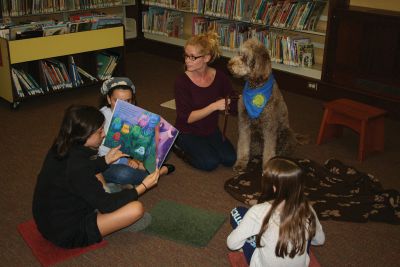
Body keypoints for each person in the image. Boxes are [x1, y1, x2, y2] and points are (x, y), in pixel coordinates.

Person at [32, 105, 160, 249]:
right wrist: (143, 187)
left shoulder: (64, 145)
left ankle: (111, 200)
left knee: (104, 185)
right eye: (100, 131)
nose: (104, 134)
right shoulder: (77, 166)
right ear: (85, 134)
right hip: (67, 232)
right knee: (137, 209)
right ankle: (113, 216)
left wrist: (105, 160)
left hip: (50, 218)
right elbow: (107, 204)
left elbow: (85, 168)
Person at [227, 157, 325, 266]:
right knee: (306, 230)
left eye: (264, 175)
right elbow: (320, 240)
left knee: (237, 212)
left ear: (273, 187)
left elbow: (232, 244)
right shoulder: (307, 209)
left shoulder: (258, 212)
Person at [174, 31, 237, 171]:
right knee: (210, 163)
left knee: (230, 159)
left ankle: (205, 146)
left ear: (206, 58)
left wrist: (236, 102)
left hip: (210, 129)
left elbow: (232, 102)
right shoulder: (181, 82)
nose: (187, 61)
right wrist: (214, 106)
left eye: (192, 57)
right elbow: (186, 118)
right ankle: (177, 145)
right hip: (187, 131)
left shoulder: (219, 77)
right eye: (186, 55)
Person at [98, 77, 175, 191]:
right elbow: (97, 155)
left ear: (132, 100)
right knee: (123, 174)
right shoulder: (100, 117)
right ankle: (159, 171)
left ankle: (139, 174)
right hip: (110, 162)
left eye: (128, 101)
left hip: (133, 156)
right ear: (109, 99)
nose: (123, 105)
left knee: (167, 146)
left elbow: (141, 142)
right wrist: (127, 161)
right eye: (117, 101)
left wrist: (137, 160)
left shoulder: (136, 114)